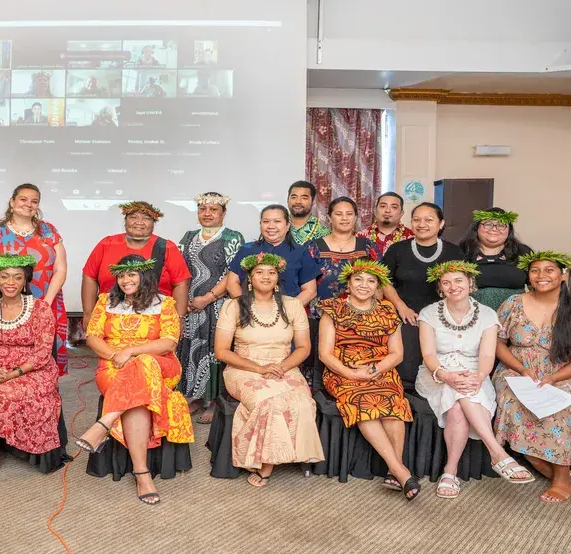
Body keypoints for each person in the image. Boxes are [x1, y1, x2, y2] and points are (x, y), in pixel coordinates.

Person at [75, 255, 194, 505]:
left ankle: (104, 423)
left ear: (145, 276)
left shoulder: (165, 303)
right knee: (138, 394)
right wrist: (115, 355)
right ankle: (143, 474)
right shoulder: (105, 302)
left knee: (145, 362)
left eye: (131, 274)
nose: (125, 280)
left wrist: (131, 352)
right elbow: (93, 337)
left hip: (159, 364)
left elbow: (169, 342)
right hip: (112, 365)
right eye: (121, 275)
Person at [415, 261, 535, 498]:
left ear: (470, 283)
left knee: (459, 406)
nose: (453, 286)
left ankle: (450, 472)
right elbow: (428, 355)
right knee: (458, 391)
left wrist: (480, 377)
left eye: (458, 280)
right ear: (440, 287)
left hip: (475, 372)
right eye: (446, 282)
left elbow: (488, 355)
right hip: (436, 373)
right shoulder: (429, 313)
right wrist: (445, 375)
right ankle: (497, 453)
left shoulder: (488, 314)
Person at [493, 251, 571, 503]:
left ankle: (562, 476)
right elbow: (498, 343)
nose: (542, 276)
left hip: (563, 371)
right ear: (529, 276)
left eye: (549, 270)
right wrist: (522, 370)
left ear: (562, 274)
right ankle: (540, 461)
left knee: (565, 405)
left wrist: (555, 378)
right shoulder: (513, 303)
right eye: (535, 271)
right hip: (518, 369)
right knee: (512, 401)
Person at [215, 252, 324, 487]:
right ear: (250, 279)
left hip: (284, 366)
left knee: (303, 402)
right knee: (269, 402)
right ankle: (266, 466)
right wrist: (259, 368)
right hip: (243, 368)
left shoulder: (292, 305)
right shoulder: (233, 306)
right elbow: (222, 351)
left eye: (271, 273)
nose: (266, 277)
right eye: (259, 273)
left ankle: (283, 456)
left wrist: (280, 368)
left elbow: (304, 348)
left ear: (278, 279)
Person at [318, 259, 420, 500]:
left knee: (392, 402)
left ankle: (394, 472)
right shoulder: (333, 308)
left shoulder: (387, 311)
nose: (364, 285)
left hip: (381, 369)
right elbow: (325, 353)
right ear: (349, 283)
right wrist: (352, 373)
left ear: (378, 286)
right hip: (342, 370)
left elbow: (397, 354)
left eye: (371, 281)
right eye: (359, 279)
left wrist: (375, 369)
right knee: (363, 400)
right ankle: (401, 471)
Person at [0, 254, 64, 486]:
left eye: (17, 277)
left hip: (31, 369)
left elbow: (42, 353)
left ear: (25, 281)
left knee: (7, 393)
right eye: (5, 277)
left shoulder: (40, 309)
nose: (10, 282)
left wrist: (13, 374)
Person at [0, 184, 69, 376]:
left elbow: (60, 268)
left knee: (46, 363)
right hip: (8, 308)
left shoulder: (48, 230)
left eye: (34, 201)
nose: (28, 204)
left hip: (46, 303)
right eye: (23, 199)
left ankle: (48, 402)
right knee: (9, 363)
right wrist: (13, 305)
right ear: (12, 202)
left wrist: (46, 303)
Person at [176, 192, 244, 423]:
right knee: (191, 347)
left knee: (215, 351)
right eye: (203, 210)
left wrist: (208, 297)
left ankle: (215, 401)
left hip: (218, 305)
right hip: (191, 305)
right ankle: (195, 396)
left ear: (223, 213)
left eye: (213, 210)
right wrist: (183, 300)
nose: (207, 214)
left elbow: (232, 273)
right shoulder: (188, 237)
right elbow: (179, 270)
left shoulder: (233, 237)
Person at [82, 201, 191, 327]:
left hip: (155, 319)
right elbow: (89, 276)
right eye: (133, 217)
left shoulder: (165, 247)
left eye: (146, 218)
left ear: (154, 223)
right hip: (109, 317)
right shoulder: (107, 244)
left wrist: (179, 318)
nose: (139, 222)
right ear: (125, 221)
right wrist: (88, 313)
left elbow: (181, 284)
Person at [381, 202, 466, 325]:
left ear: (441, 224)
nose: (421, 224)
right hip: (404, 316)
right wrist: (402, 308)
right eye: (416, 220)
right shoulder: (397, 249)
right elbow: (384, 282)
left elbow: (460, 286)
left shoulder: (454, 252)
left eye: (429, 220)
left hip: (444, 317)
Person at [226, 204, 318, 306]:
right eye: (266, 221)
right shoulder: (247, 249)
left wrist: (289, 311)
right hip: (249, 314)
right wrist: (247, 308)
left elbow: (310, 291)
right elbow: (232, 283)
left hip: (287, 315)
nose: (271, 226)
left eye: (277, 221)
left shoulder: (300, 252)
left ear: (288, 225)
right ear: (260, 224)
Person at [308, 196, 378, 316]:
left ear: (355, 217)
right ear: (330, 217)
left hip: (360, 316)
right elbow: (306, 286)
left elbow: (380, 283)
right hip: (321, 315)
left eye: (349, 214)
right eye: (339, 214)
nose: (344, 218)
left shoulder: (366, 246)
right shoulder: (314, 247)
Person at [458, 208, 532, 311]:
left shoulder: (522, 252)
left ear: (509, 230)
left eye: (501, 225)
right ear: (477, 227)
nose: (494, 229)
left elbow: (536, 286)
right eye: (488, 224)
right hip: (470, 315)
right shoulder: (461, 251)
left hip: (515, 315)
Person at [357, 192, 414, 257]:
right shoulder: (360, 237)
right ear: (375, 211)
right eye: (383, 206)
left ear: (401, 213)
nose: (387, 210)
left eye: (394, 207)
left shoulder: (412, 238)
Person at [286, 180, 329, 245]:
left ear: (313, 201)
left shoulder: (324, 233)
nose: (298, 201)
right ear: (287, 199)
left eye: (304, 198)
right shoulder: (276, 227)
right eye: (294, 197)